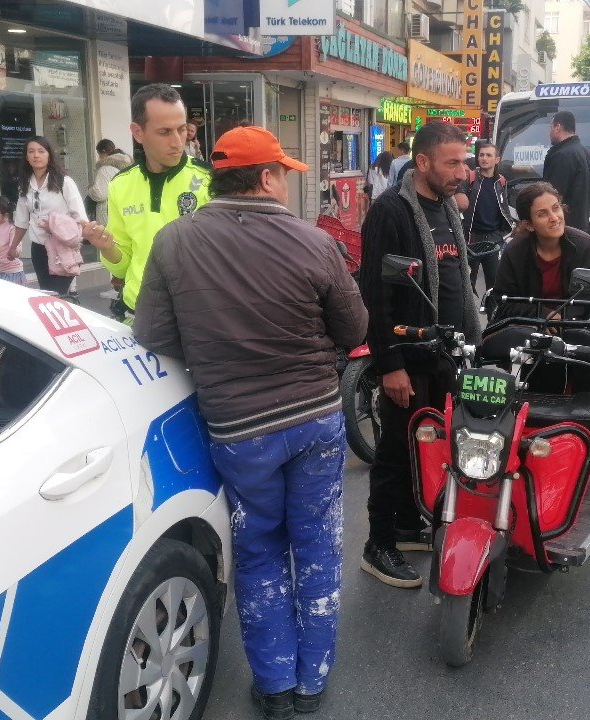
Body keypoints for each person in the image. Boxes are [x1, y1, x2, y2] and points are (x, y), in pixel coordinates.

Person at [134, 126, 366, 720]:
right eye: (283, 172)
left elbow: (155, 337)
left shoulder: (173, 241)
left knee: (258, 553)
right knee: (317, 549)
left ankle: (275, 688)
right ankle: (312, 684)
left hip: (239, 430)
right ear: (266, 177)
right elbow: (354, 329)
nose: (285, 182)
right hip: (314, 418)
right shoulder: (312, 242)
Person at [358, 121, 480, 589]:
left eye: (464, 161)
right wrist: (390, 364)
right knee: (392, 451)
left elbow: (458, 279)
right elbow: (374, 292)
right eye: (452, 162)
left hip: (444, 354)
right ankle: (378, 543)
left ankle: (408, 527)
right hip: (406, 356)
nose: (462, 171)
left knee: (428, 445)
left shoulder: (448, 205)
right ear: (422, 161)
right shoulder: (392, 211)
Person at [83, 84, 212, 315]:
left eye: (181, 130)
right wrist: (106, 248)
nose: (177, 142)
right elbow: (123, 267)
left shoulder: (210, 180)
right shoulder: (121, 184)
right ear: (137, 132)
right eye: (164, 132)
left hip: (198, 318)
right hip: (140, 314)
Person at [492, 181, 590, 322]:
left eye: (556, 208)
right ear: (528, 225)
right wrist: (542, 314)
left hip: (573, 324)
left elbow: (589, 299)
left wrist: (562, 319)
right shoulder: (514, 251)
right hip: (527, 325)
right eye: (542, 214)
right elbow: (504, 302)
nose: (554, 218)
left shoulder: (584, 244)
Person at [8, 136, 88, 295]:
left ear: (49, 155)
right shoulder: (25, 184)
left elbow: (80, 218)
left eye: (41, 151)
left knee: (57, 294)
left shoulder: (64, 182)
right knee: (47, 294)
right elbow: (22, 221)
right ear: (26, 157)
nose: (36, 155)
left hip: (63, 247)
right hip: (38, 248)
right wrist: (12, 247)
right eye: (31, 152)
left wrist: (59, 230)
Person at [454, 142, 511, 304]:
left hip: (494, 239)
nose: (484, 158)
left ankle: (494, 323)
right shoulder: (469, 177)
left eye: (488, 155)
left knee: (494, 287)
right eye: (481, 155)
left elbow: (504, 208)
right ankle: (467, 323)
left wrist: (505, 233)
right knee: (465, 285)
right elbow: (458, 200)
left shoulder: (501, 181)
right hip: (471, 239)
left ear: (497, 159)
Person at [542, 110, 590, 232]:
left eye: (551, 128)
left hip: (559, 230)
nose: (549, 133)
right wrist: (581, 216)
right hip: (581, 229)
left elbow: (550, 196)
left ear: (558, 127)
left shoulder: (561, 156)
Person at [87, 139, 133, 226]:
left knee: (110, 238)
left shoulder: (106, 169)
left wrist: (90, 189)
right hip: (126, 211)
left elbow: (100, 194)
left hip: (109, 214)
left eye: (99, 154)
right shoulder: (129, 166)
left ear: (102, 152)